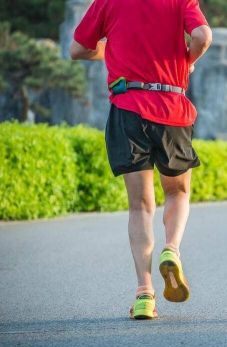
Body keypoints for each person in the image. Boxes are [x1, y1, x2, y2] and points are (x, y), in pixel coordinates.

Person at [70, 0, 212, 320]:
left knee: (140, 206)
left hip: (128, 107)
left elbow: (77, 49)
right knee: (177, 191)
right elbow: (203, 35)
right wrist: (187, 59)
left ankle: (144, 294)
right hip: (171, 106)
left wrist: (112, 49)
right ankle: (171, 249)